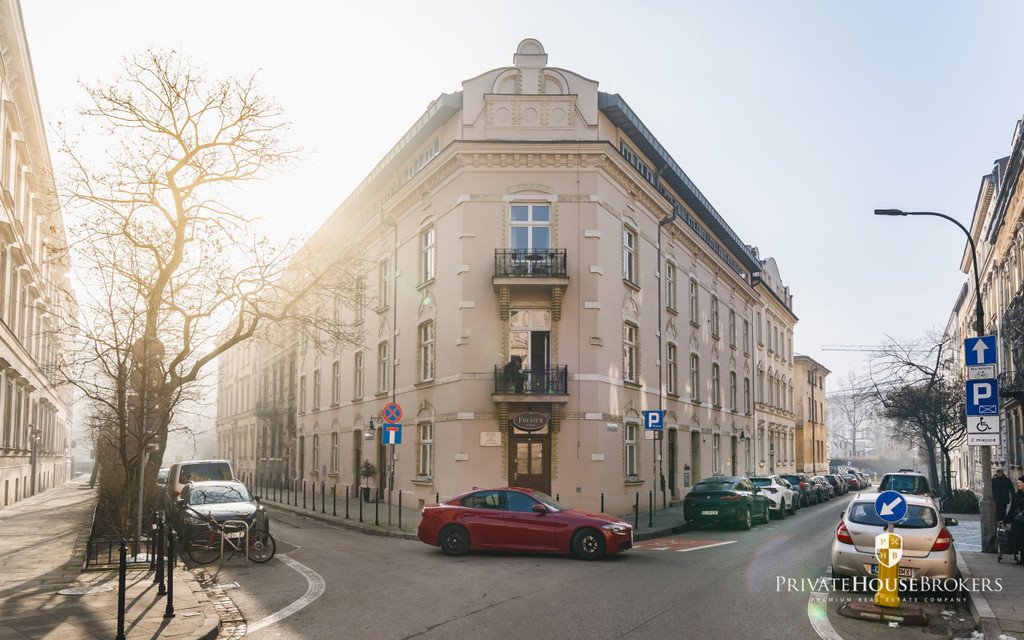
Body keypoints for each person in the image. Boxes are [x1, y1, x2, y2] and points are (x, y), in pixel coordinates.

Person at [1004, 477, 1024, 565]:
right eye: (1018, 482)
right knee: (1018, 540)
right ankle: (1021, 558)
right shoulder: (1016, 495)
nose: (1018, 484)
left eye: (1020, 482)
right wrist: (1005, 520)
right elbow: (1012, 510)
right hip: (1017, 522)